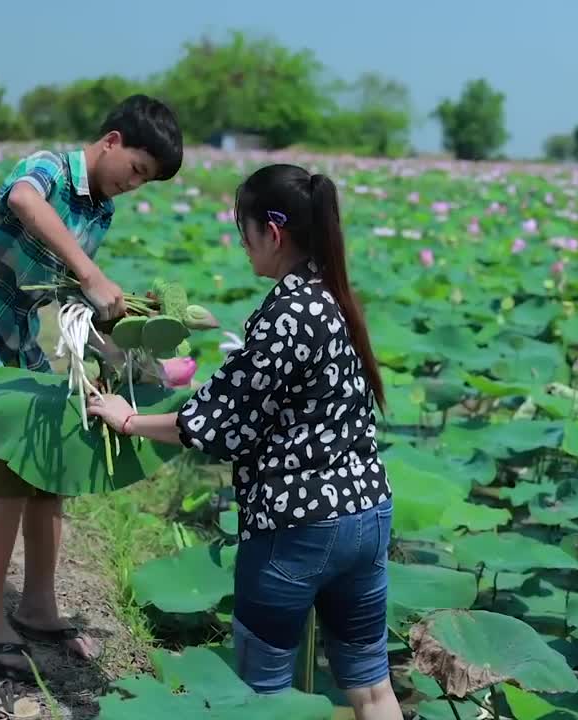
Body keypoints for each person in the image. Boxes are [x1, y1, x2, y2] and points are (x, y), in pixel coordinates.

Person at [87, 164, 400, 719]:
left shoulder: (286, 312)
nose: (241, 244)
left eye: (244, 231)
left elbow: (217, 422)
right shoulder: (334, 299)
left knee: (265, 693)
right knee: (372, 688)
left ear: (273, 234)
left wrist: (129, 419)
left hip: (297, 523)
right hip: (367, 514)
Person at [0, 94, 183, 681]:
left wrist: (126, 340)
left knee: (48, 469)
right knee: (13, 475)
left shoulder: (101, 213)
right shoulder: (46, 168)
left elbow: (66, 294)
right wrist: (93, 275)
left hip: (18, 343)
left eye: (147, 182)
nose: (134, 186)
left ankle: (38, 607)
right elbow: (23, 202)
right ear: (112, 141)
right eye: (136, 169)